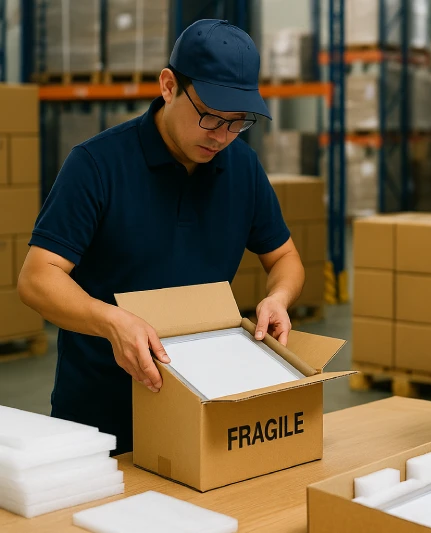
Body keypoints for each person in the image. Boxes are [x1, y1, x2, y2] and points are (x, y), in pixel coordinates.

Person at [17, 20, 304, 455]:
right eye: (209, 116)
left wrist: (278, 298)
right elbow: (38, 277)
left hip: (201, 409)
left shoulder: (241, 168)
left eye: (237, 123)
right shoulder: (97, 165)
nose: (222, 137)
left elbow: (285, 258)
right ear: (169, 86)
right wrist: (113, 321)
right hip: (101, 419)